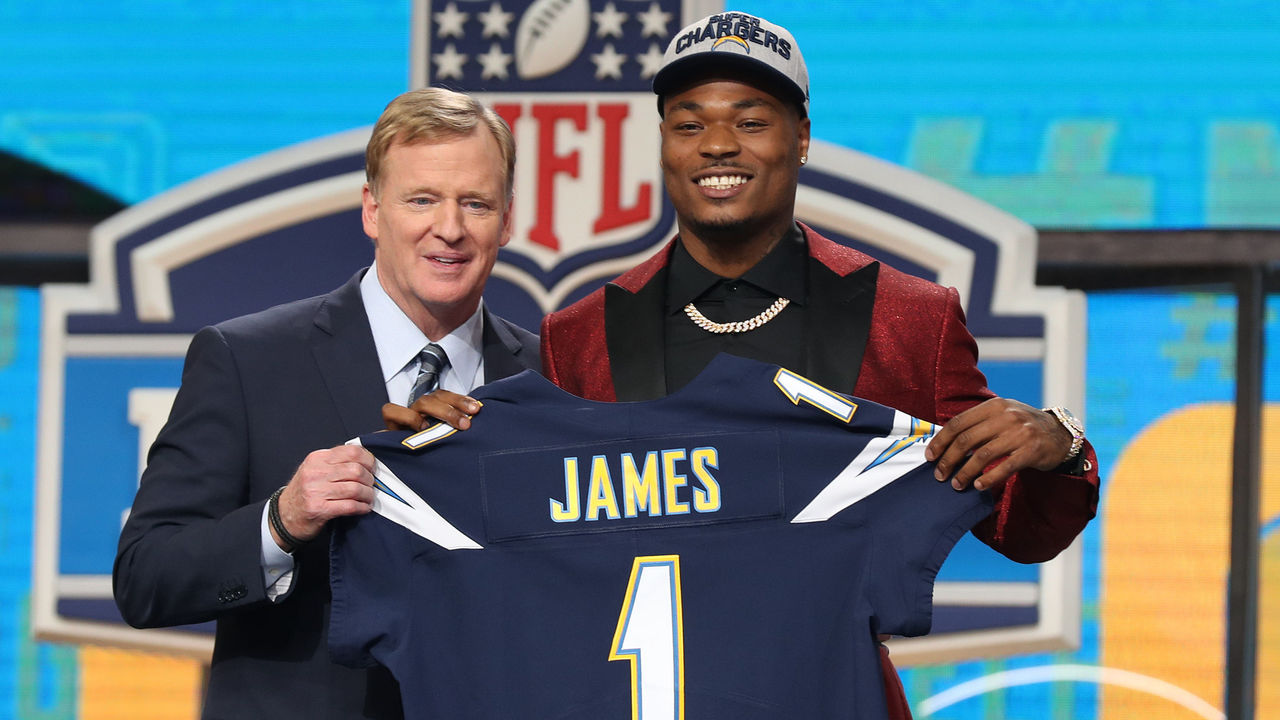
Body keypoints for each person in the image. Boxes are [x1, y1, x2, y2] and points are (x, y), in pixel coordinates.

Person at [390, 11, 1099, 719]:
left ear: (803, 138)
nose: (717, 145)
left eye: (751, 121)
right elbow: (532, 555)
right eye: (688, 124)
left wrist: (1059, 447)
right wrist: (443, 459)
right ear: (663, 144)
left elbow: (1022, 532)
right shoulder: (582, 334)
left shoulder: (909, 316)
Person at [113, 87, 539, 720]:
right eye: (421, 199)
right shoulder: (248, 361)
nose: (449, 229)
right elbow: (146, 578)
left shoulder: (549, 381)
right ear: (372, 210)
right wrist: (280, 521)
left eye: (474, 203)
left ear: (505, 220)